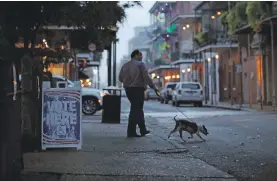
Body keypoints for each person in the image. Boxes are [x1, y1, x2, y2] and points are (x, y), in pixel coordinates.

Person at [119, 49, 158, 137]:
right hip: (138, 89)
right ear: (135, 55)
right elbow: (146, 77)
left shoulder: (125, 65)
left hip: (128, 90)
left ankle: (142, 129)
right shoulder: (141, 64)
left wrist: (127, 82)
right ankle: (131, 131)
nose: (142, 57)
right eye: (140, 55)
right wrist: (154, 87)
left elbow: (120, 78)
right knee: (135, 110)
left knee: (138, 109)